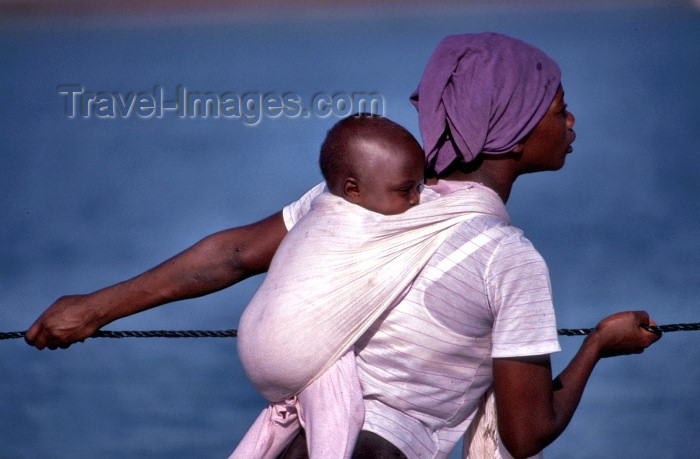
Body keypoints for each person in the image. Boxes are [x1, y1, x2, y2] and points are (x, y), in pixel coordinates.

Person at [25, 33, 661, 459]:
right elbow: (526, 433)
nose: (572, 123)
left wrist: (95, 307)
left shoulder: (355, 203)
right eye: (559, 110)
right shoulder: (508, 258)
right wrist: (599, 347)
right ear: (515, 131)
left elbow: (234, 255)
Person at [233, 113, 426, 458]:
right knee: (340, 415)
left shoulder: (315, 213)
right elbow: (456, 212)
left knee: (279, 420)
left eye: (420, 187)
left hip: (252, 344)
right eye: (405, 190)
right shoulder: (368, 223)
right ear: (353, 189)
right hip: (299, 349)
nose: (416, 200)